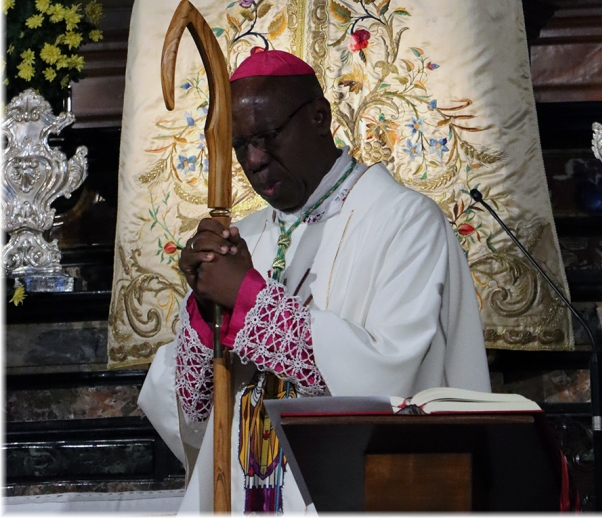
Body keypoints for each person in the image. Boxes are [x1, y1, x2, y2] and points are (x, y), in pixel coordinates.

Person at [139, 47, 491, 512]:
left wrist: (247, 300)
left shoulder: (405, 221)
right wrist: (207, 318)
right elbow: (191, 413)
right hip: (245, 489)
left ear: (319, 117)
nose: (255, 160)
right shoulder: (243, 236)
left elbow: (385, 380)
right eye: (240, 145)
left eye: (267, 136)